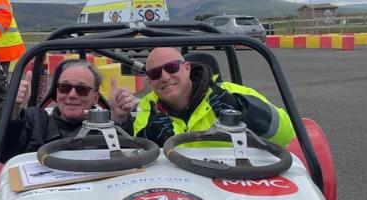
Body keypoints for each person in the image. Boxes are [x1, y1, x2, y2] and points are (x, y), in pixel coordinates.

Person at [112, 47, 295, 147]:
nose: (165, 77)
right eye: (155, 73)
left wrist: (244, 110)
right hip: (178, 187)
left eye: (172, 67)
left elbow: (285, 134)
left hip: (233, 182)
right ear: (150, 82)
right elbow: (138, 157)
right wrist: (150, 140)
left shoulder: (232, 93)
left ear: (187, 68)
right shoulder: (148, 107)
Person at [0, 60, 136, 162]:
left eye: (82, 89)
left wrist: (120, 118)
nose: (72, 95)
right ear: (57, 92)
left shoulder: (106, 127)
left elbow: (129, 159)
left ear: (95, 98)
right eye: (65, 88)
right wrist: (12, 109)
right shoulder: (34, 120)